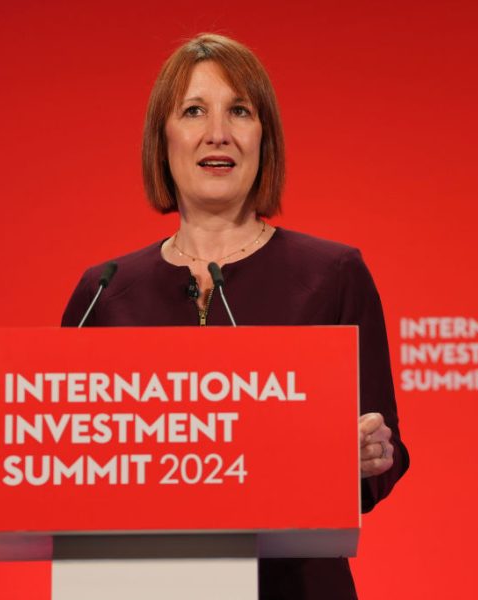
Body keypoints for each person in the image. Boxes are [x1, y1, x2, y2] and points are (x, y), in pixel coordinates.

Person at [61, 33, 409, 600]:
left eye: (240, 111)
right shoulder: (104, 292)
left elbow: (385, 454)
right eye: (194, 111)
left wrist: (367, 457)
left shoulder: (332, 274)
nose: (217, 132)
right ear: (162, 139)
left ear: (264, 138)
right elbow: (67, 458)